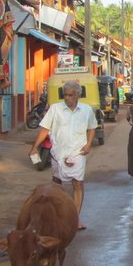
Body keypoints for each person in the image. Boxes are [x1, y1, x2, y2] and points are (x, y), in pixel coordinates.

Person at [30, 81, 97, 229]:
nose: (67, 98)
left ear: (78, 95)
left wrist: (88, 144)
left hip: (78, 152)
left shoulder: (86, 110)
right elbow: (44, 129)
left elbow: (92, 128)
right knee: (56, 184)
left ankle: (75, 218)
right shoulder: (55, 109)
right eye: (65, 95)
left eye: (71, 95)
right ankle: (57, 216)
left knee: (78, 184)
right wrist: (35, 146)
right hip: (57, 153)